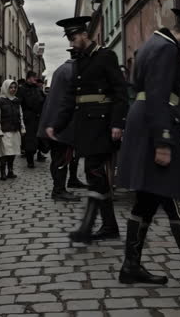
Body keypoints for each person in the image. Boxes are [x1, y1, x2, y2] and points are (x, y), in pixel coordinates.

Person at [118, 9, 180, 288]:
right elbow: (160, 96)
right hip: (156, 126)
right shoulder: (166, 49)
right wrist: (163, 141)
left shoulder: (153, 43)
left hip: (143, 123)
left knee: (146, 201)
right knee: (178, 199)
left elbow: (150, 84)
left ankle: (131, 266)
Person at [46, 16, 128, 243]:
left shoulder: (106, 56)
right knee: (96, 176)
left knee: (94, 172)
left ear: (84, 34)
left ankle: (88, 226)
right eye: (70, 39)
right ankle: (108, 226)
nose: (72, 43)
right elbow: (71, 98)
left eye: (73, 38)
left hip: (102, 125)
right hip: (85, 126)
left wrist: (117, 123)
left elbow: (120, 93)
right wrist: (57, 124)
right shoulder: (80, 61)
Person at [38, 48, 86, 202]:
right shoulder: (73, 70)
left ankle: (64, 185)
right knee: (62, 157)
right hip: (62, 122)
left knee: (61, 157)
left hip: (54, 120)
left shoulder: (61, 69)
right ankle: (58, 190)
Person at [0, 80, 25, 180]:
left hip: (15, 130)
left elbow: (21, 116)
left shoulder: (16, 101)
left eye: (14, 87)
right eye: (11, 87)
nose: (13, 89)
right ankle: (3, 172)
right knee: (4, 152)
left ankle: (10, 171)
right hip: (4, 131)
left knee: (13, 152)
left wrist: (22, 128)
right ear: (6, 88)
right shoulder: (0, 101)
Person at [18, 71, 45, 168]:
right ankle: (30, 160)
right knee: (30, 141)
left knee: (39, 140)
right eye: (34, 77)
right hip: (28, 118)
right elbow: (19, 104)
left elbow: (43, 100)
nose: (35, 79)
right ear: (29, 78)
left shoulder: (38, 88)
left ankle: (38, 154)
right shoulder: (22, 89)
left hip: (38, 118)